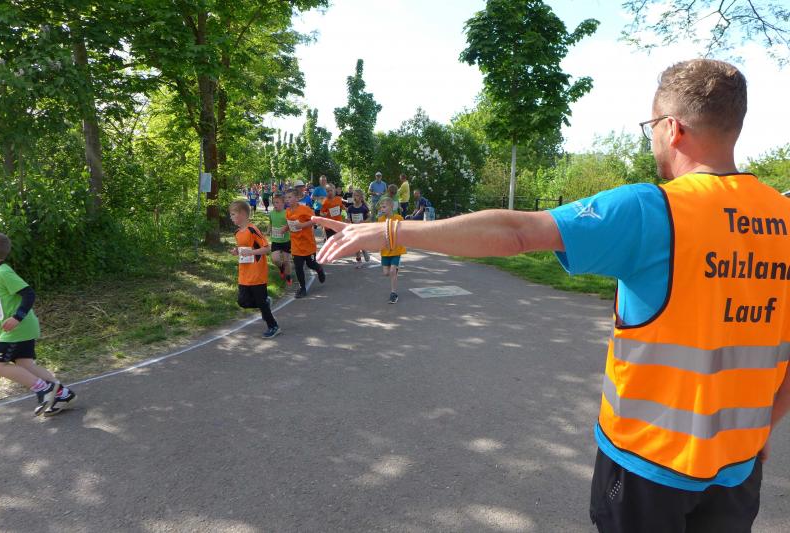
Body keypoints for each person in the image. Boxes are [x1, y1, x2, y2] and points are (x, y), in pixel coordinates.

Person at [313, 59, 790, 533]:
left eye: (651, 128)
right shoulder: (784, 218)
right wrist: (766, 425)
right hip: (738, 468)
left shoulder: (653, 209)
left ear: (672, 128)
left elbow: (518, 232)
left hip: (648, 464)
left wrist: (391, 230)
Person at [0, 232, 75, 416]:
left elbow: (29, 294)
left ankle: (43, 390)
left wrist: (17, 317)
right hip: (20, 327)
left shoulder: (3, 272)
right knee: (26, 365)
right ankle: (62, 394)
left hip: (19, 327)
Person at [228, 201, 281, 339]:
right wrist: (236, 251)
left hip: (257, 272)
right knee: (242, 301)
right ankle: (265, 302)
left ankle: (273, 326)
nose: (231, 217)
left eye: (233, 214)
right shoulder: (237, 233)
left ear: (242, 214)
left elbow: (267, 248)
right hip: (244, 273)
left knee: (261, 303)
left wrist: (251, 252)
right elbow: (243, 249)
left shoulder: (253, 230)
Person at [285, 190, 325, 299]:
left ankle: (319, 269)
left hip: (308, 244)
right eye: (286, 198)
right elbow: (290, 224)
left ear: (297, 198)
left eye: (290, 197)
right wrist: (284, 229)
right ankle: (302, 288)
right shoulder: (287, 211)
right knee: (298, 267)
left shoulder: (304, 209)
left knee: (311, 264)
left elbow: (314, 220)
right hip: (296, 245)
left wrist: (303, 225)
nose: (287, 199)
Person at [375, 198, 405, 304]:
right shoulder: (380, 220)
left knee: (392, 271)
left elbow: (404, 231)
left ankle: (393, 293)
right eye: (381, 207)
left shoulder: (398, 218)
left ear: (391, 207)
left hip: (396, 250)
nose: (382, 209)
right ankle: (395, 268)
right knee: (386, 273)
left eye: (384, 207)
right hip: (385, 251)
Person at [268, 192, 293, 289]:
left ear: (283, 203)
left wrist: (285, 228)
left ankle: (288, 277)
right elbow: (270, 223)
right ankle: (281, 268)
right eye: (274, 202)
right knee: (275, 259)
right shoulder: (271, 213)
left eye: (277, 202)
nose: (275, 204)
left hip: (286, 240)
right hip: (275, 241)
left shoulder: (287, 213)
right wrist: (268, 230)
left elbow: (291, 225)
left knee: (287, 261)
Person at [347, 189, 372, 268]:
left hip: (362, 229)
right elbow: (348, 218)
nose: (355, 197)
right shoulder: (350, 208)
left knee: (360, 243)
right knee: (355, 245)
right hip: (354, 229)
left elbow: (369, 217)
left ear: (361, 197)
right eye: (354, 195)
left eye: (357, 195)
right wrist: (348, 220)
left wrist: (364, 221)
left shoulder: (364, 208)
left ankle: (364, 250)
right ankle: (359, 261)